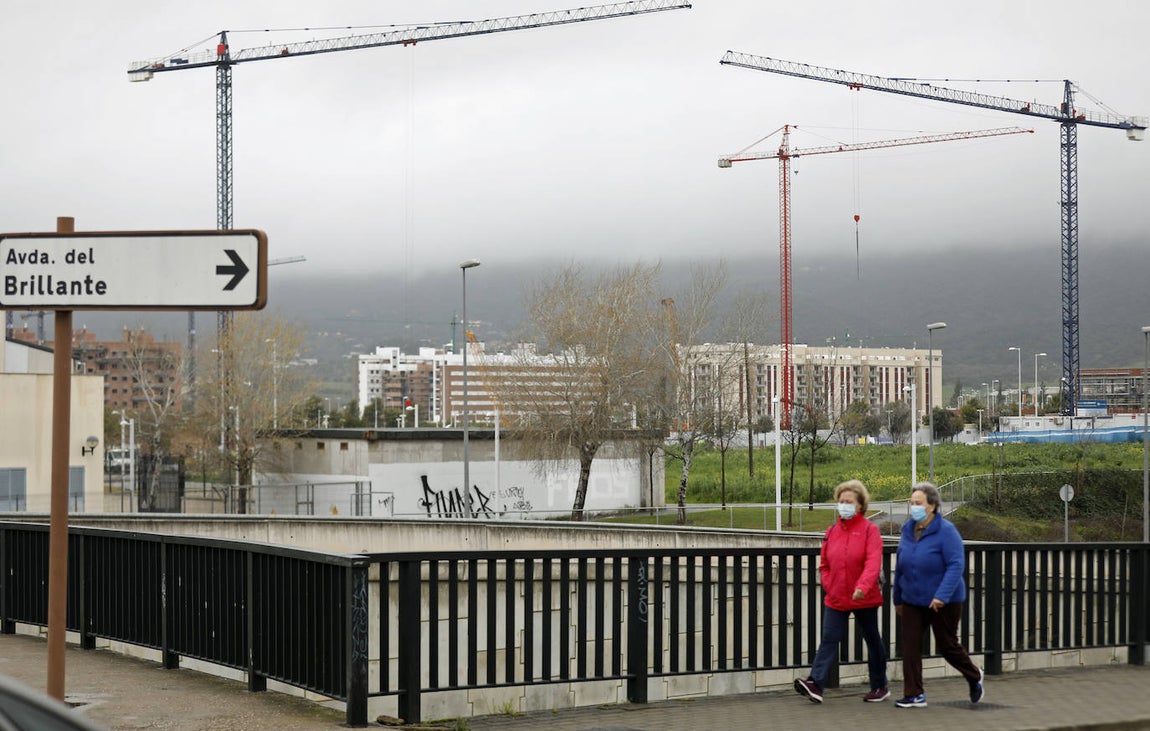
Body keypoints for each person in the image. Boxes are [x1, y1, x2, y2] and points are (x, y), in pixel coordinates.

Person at [794, 479, 889, 703]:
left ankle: (879, 686)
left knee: (872, 639)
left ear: (860, 505)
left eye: (849, 501)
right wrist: (829, 585)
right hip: (836, 596)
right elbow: (824, 565)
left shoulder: (870, 530)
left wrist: (862, 587)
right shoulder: (832, 531)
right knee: (829, 638)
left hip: (864, 597)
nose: (844, 505)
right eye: (841, 501)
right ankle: (816, 684)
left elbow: (873, 563)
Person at [892, 481, 984, 708]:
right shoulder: (907, 530)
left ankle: (974, 676)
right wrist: (897, 598)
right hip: (912, 598)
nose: (914, 507)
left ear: (932, 506)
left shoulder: (946, 531)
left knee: (947, 646)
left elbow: (955, 565)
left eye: (918, 503)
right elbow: (901, 566)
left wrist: (941, 595)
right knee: (910, 646)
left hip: (945, 601)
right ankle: (914, 693)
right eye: (911, 503)